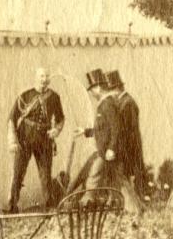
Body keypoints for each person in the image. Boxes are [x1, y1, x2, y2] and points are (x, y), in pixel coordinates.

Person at [76, 69, 141, 213]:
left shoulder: (108, 104)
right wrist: (85, 132)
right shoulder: (105, 103)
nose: (91, 92)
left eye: (92, 89)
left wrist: (111, 148)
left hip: (107, 152)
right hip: (105, 152)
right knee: (119, 180)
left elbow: (116, 128)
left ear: (98, 88)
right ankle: (135, 209)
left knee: (96, 175)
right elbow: (103, 129)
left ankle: (85, 203)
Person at [8, 67, 65, 212]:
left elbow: (60, 119)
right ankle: (12, 207)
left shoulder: (54, 97)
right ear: (35, 77)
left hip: (44, 141)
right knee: (18, 174)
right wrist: (12, 141)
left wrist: (56, 130)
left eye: (46, 76)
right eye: (41, 76)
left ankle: (49, 208)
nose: (44, 79)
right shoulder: (25, 95)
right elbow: (11, 119)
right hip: (24, 140)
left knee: (46, 175)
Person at [107, 70, 147, 199]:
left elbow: (129, 130)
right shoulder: (123, 102)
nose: (110, 95)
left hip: (130, 147)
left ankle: (137, 204)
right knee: (125, 176)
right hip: (126, 146)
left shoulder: (128, 103)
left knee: (130, 175)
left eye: (110, 91)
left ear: (117, 89)